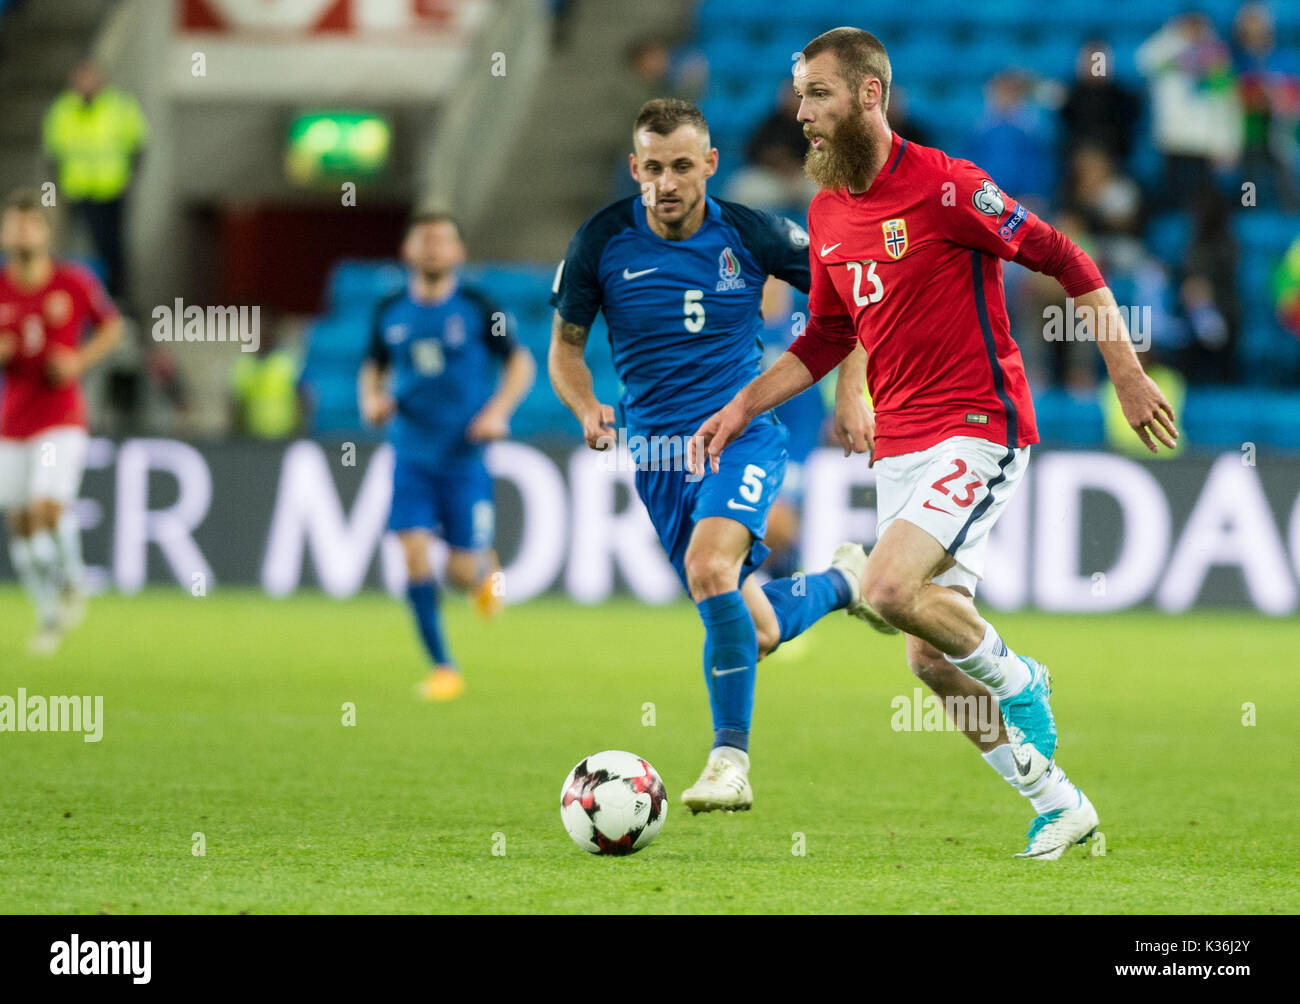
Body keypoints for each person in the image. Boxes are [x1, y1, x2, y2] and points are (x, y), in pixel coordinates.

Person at [690, 29, 1179, 859]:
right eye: (801, 96)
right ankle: (1060, 804)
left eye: (818, 95)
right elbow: (827, 334)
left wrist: (1125, 375)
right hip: (901, 446)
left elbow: (1067, 258)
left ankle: (1021, 677)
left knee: (884, 586)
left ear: (869, 96)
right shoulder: (828, 208)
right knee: (928, 658)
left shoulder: (949, 188)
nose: (801, 113)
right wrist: (741, 406)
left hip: (978, 426)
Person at [549, 98, 868, 814]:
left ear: (710, 165)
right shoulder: (601, 241)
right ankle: (847, 582)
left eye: (683, 166)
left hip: (741, 432)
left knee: (708, 567)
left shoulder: (752, 234)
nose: (667, 182)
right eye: (654, 168)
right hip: (658, 458)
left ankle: (730, 762)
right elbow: (564, 355)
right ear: (635, 168)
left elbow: (853, 300)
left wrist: (853, 393)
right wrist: (585, 406)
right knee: (752, 628)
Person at [358, 212, 535, 702]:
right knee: (412, 549)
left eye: (443, 240)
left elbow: (520, 360)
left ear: (458, 253)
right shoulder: (390, 309)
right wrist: (371, 401)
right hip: (411, 453)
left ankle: (483, 571)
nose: (434, 248)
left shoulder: (480, 306)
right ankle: (443, 666)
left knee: (459, 573)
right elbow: (371, 368)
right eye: (425, 239)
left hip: (463, 456)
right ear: (409, 251)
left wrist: (498, 411)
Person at [0, 188, 122, 653]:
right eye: (15, 223)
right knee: (21, 525)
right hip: (13, 421)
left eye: (31, 224)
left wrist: (78, 361)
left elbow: (112, 326)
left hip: (61, 415)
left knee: (46, 507)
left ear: (46, 233)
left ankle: (73, 578)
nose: (22, 232)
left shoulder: (72, 282)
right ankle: (49, 613)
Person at [42, 60, 148, 302]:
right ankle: (82, 297)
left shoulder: (121, 106)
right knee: (80, 248)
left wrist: (129, 178)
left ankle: (118, 298)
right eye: (80, 77)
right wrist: (58, 184)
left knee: (113, 246)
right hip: (78, 190)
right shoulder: (61, 109)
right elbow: (53, 152)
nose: (85, 83)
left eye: (89, 77)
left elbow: (138, 145)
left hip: (112, 188)